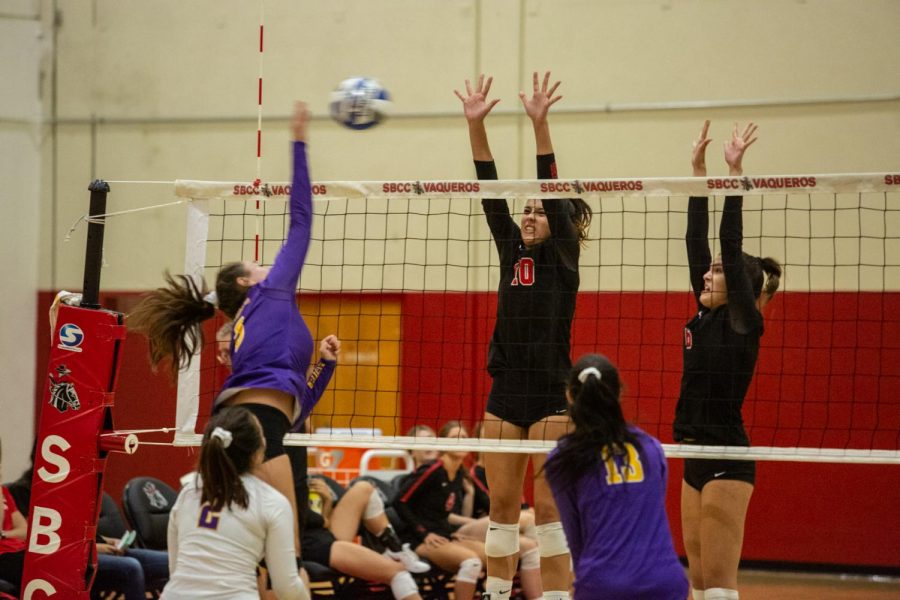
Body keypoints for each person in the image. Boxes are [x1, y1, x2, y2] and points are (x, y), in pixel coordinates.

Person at [129, 101, 338, 560]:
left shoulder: (247, 325)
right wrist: (299, 144)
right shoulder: (272, 294)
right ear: (247, 282)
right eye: (258, 266)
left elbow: (292, 407)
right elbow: (301, 220)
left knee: (242, 550)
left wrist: (323, 367)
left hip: (238, 426)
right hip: (255, 427)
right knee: (285, 552)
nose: (269, 266)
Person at [455, 72, 592, 600]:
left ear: (556, 223)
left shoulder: (563, 259)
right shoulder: (511, 249)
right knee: (502, 510)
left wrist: (541, 125)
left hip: (552, 394)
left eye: (539, 211)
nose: (530, 215)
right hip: (505, 391)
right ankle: (495, 594)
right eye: (527, 210)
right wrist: (476, 128)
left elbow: (553, 189)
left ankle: (557, 597)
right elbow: (490, 191)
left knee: (551, 509)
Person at [677, 121, 782, 600]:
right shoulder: (702, 315)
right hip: (692, 454)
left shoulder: (744, 322)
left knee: (719, 587)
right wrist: (698, 173)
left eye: (718, 270)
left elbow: (727, 242)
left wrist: (734, 176)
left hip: (727, 457)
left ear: (742, 287)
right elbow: (695, 241)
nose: (706, 271)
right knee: (697, 583)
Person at [544, 354, 688, 599]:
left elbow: (575, 536)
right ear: (619, 392)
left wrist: (587, 584)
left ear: (569, 395)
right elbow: (650, 516)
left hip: (604, 584)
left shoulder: (564, 458)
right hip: (666, 582)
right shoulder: (650, 447)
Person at [162, 406, 309, 599]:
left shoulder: (188, 492)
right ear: (257, 452)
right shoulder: (271, 501)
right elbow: (286, 588)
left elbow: (176, 571)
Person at [394, 424, 485, 600]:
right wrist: (424, 533)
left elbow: (439, 512)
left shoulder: (458, 473)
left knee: (495, 556)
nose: (461, 442)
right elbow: (399, 501)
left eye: (464, 438)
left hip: (442, 535)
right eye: (454, 438)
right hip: (417, 539)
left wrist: (450, 532)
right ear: (442, 444)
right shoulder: (433, 470)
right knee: (472, 563)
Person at [300, 477, 426, 600]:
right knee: (398, 573)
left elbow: (321, 524)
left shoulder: (302, 480)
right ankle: (395, 553)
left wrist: (326, 502)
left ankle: (395, 549)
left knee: (364, 488)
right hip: (311, 544)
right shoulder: (288, 484)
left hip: (320, 536)